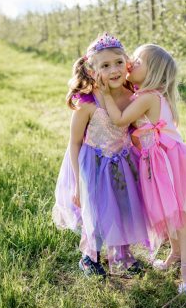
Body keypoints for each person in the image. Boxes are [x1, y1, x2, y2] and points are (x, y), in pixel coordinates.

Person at [99, 43, 186, 294]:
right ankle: (176, 255)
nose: (131, 62)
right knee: (168, 212)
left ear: (153, 71)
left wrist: (103, 94)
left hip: (166, 162)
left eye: (138, 60)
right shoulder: (149, 94)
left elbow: (121, 120)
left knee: (178, 216)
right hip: (157, 160)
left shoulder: (147, 97)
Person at [52, 33, 149, 278]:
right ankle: (90, 256)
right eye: (105, 66)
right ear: (93, 70)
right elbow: (74, 143)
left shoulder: (133, 96)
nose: (114, 70)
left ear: (127, 62)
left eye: (118, 62)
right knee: (94, 209)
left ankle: (123, 255)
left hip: (124, 160)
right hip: (93, 163)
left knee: (124, 207)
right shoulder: (87, 103)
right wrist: (77, 181)